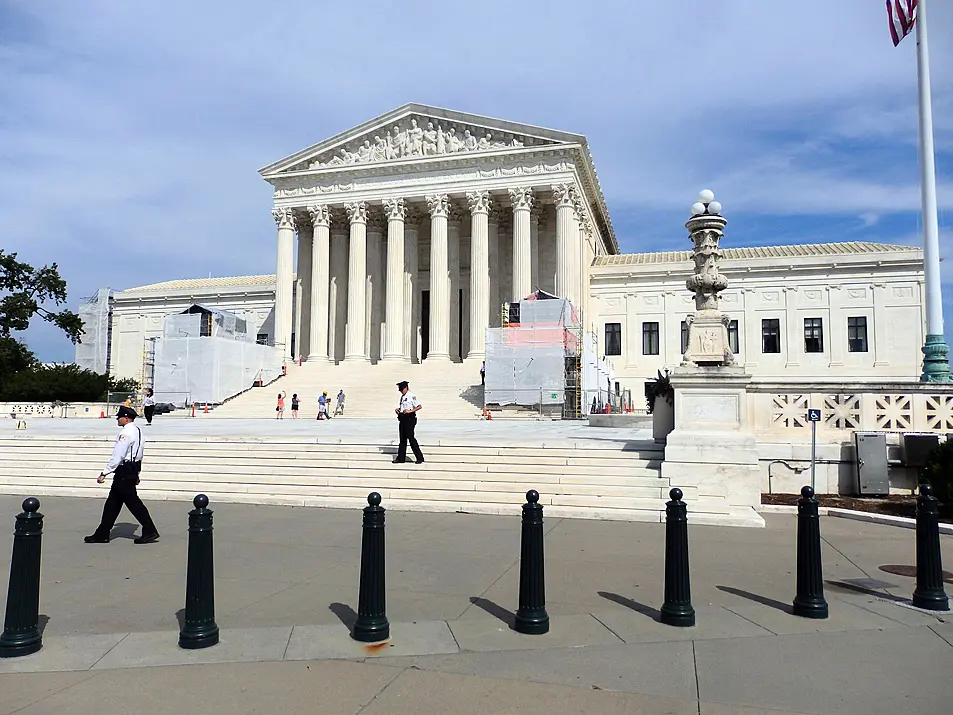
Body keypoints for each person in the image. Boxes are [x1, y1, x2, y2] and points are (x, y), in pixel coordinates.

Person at [84, 406, 160, 544]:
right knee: (112, 504)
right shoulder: (138, 431)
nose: (117, 419)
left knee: (133, 503)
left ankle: (150, 530)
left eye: (119, 417)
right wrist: (136, 472)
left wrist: (105, 472)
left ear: (126, 418)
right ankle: (102, 533)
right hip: (132, 469)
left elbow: (118, 455)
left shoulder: (125, 433)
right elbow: (139, 454)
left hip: (124, 471)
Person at [393, 380, 424, 464]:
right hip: (403, 418)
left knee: (411, 438)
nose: (400, 391)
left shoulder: (412, 396)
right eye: (400, 389)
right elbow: (403, 407)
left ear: (406, 388)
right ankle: (401, 458)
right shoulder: (402, 397)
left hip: (410, 418)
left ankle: (419, 458)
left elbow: (419, 406)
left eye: (402, 389)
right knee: (402, 439)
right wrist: (399, 410)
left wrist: (410, 411)